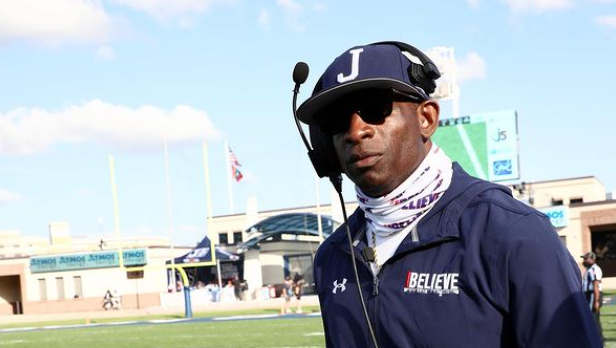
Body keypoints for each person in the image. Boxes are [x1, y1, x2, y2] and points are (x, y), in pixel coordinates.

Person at [295, 41, 602, 347]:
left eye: (375, 109)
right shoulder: (332, 256)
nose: (355, 131)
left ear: (426, 119)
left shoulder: (514, 234)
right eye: (337, 120)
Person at [582, 251, 604, 344]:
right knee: (591, 318)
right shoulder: (589, 269)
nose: (584, 260)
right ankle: (597, 339)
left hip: (593, 295)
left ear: (592, 259)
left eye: (585, 259)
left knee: (593, 319)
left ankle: (598, 340)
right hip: (589, 295)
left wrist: (596, 301)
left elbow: (596, 285)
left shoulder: (594, 269)